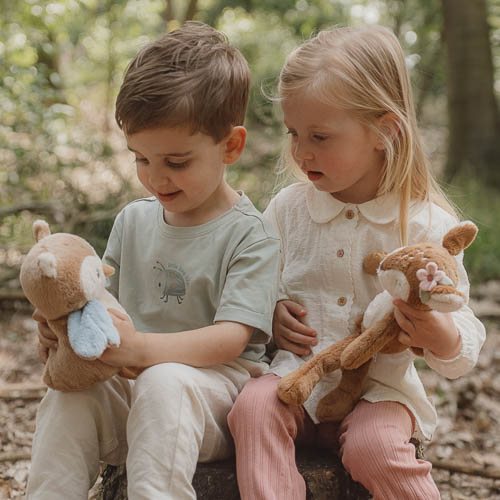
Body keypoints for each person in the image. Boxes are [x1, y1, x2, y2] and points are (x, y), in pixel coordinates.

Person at [227, 25, 486, 500]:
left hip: (380, 393)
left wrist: (441, 337)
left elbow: (464, 327)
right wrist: (270, 311)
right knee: (252, 409)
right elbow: (247, 282)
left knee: (375, 448)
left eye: (320, 136)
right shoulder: (287, 211)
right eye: (294, 134)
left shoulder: (425, 224)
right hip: (296, 378)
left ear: (383, 132)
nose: (302, 152)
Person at [27, 22, 280, 499]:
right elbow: (101, 307)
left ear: (230, 145)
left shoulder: (252, 233)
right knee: (69, 398)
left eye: (176, 162)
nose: (154, 178)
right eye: (140, 159)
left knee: (165, 383)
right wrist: (64, 330)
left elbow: (231, 338)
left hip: (215, 399)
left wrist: (142, 350)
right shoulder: (133, 221)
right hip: (132, 386)